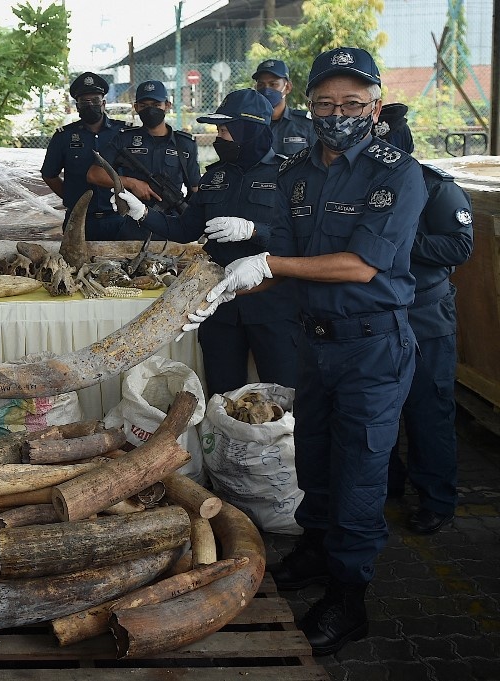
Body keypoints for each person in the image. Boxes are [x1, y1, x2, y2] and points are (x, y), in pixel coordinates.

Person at [190, 47, 428, 656]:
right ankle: (318, 553)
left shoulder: (395, 172)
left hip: (372, 348)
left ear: (375, 106)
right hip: (314, 343)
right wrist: (225, 288)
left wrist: (265, 262)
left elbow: (359, 264)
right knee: (313, 460)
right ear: (305, 105)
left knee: (358, 475)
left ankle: (350, 598)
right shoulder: (298, 173)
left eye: (352, 102)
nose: (338, 113)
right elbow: (291, 266)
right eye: (325, 102)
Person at [116, 89, 299, 396]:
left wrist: (256, 231)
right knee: (222, 392)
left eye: (224, 131)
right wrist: (143, 213)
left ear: (248, 130)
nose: (218, 138)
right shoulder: (215, 177)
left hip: (273, 307)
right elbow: (186, 228)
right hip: (218, 306)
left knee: (282, 395)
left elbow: (300, 239)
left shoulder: (289, 175)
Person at [374, 105, 474, 534]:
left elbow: (459, 246)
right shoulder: (365, 188)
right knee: (380, 410)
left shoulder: (435, 188)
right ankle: (391, 482)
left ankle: (437, 499)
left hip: (426, 318)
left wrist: (402, 244)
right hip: (378, 315)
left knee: (427, 411)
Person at [86, 80, 200, 240]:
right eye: (144, 105)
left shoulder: (185, 144)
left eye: (156, 104)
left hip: (172, 226)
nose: (150, 110)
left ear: (167, 105)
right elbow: (94, 174)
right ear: (136, 107)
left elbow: (195, 189)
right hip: (132, 225)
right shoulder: (125, 139)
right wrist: (131, 183)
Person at [41, 71, 127, 240]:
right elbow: (49, 175)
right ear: (77, 105)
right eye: (84, 101)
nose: (90, 105)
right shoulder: (64, 136)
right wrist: (72, 197)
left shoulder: (123, 133)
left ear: (103, 103)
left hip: (119, 219)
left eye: (95, 100)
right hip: (79, 220)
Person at [251, 59, 314, 158]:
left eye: (273, 84)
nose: (266, 90)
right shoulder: (249, 125)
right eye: (261, 85)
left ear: (288, 87)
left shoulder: (306, 124)